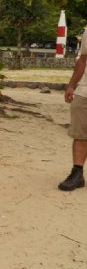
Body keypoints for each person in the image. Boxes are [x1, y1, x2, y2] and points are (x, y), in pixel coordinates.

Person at [58, 27, 87, 191]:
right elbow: (83, 59)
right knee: (81, 133)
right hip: (85, 91)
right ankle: (77, 173)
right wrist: (71, 85)